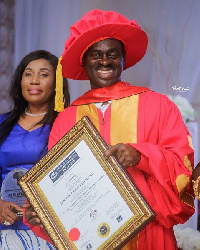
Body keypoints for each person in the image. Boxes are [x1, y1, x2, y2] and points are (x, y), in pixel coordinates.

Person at [24, 9, 195, 250]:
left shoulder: (158, 105)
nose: (104, 61)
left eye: (112, 54)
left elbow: (183, 166)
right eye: (96, 55)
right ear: (84, 61)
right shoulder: (68, 117)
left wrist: (141, 156)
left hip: (148, 235)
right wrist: (42, 213)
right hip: (92, 239)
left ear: (123, 58)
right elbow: (59, 185)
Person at [0, 50, 70, 249]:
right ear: (20, 80)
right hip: (7, 231)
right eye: (28, 74)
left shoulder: (67, 124)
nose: (34, 81)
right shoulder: (2, 124)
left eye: (44, 74)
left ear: (56, 83)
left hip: (54, 231)